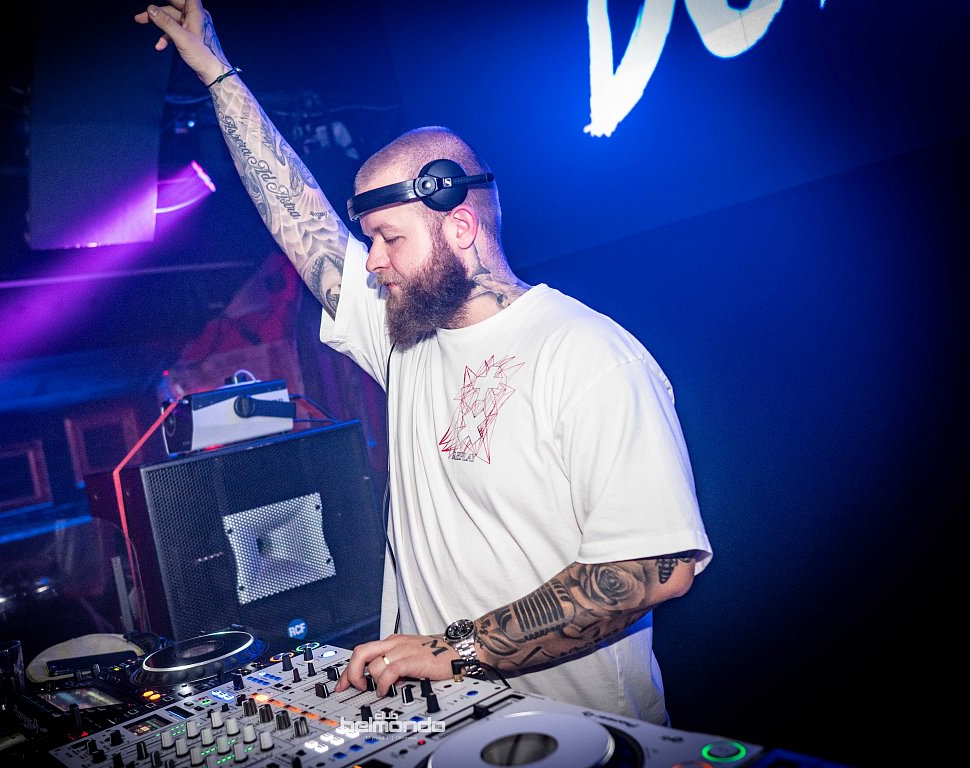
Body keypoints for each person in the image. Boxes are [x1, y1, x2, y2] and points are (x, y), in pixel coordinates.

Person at [136, 0, 713, 725]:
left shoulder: (589, 356)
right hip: (442, 725)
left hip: (582, 733)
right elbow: (301, 220)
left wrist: (457, 649)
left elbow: (653, 569)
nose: (372, 261)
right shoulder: (408, 338)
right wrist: (218, 74)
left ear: (461, 226)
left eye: (389, 238)